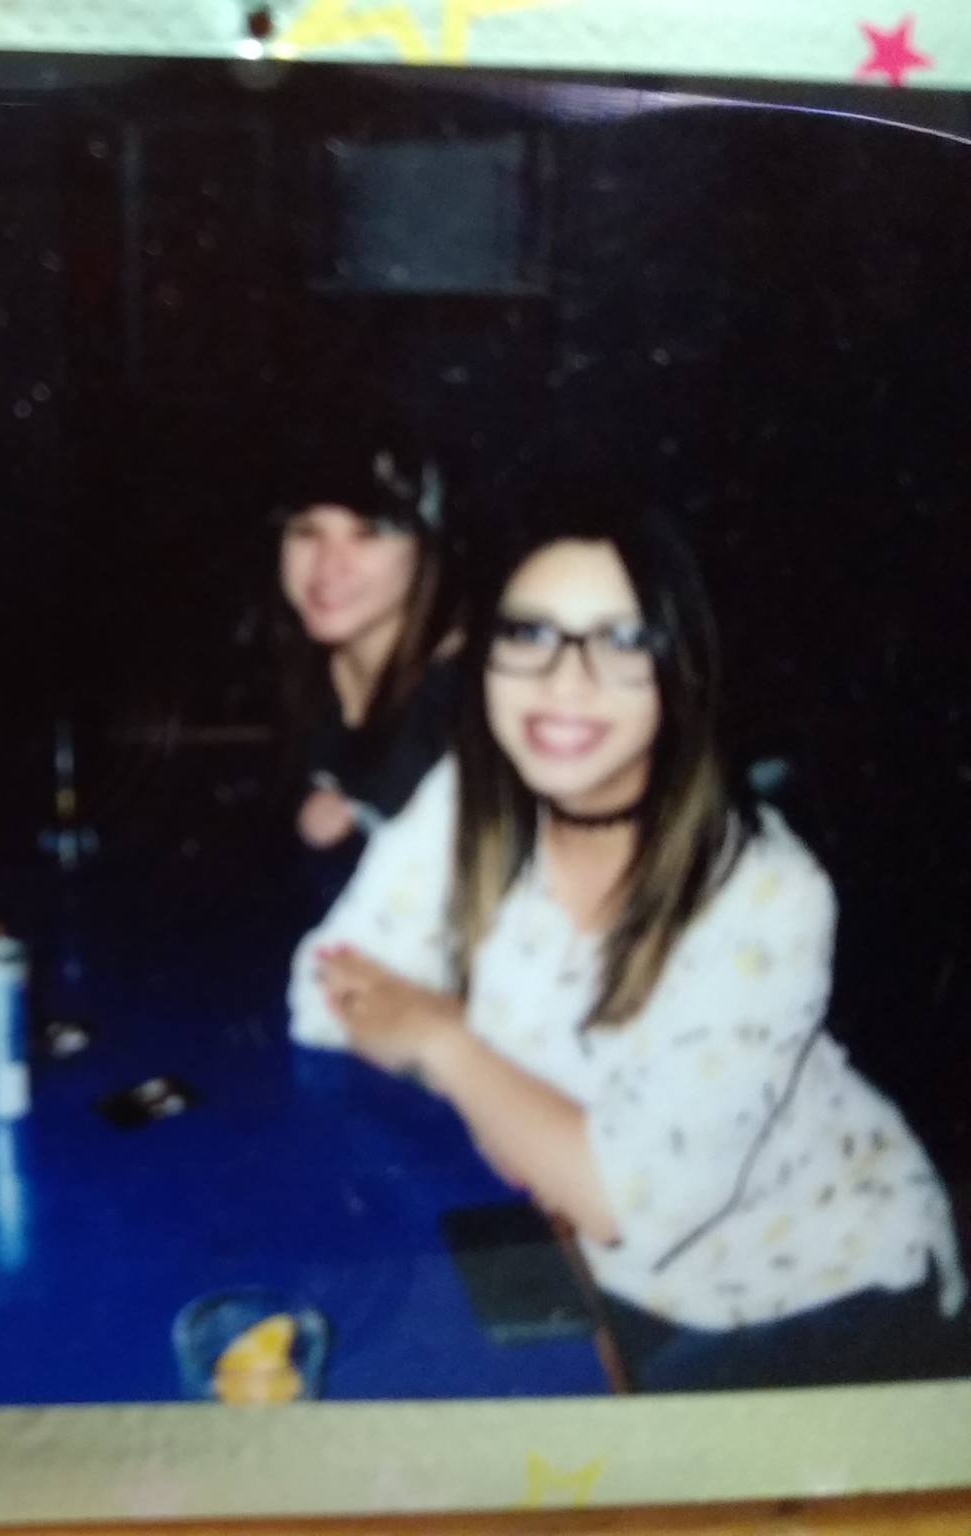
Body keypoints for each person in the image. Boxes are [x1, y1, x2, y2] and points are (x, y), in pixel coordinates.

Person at [288, 502, 965, 1391]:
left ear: (682, 669)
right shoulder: (467, 797)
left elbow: (630, 1204)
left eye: (622, 639)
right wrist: (528, 1125)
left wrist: (446, 1043)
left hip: (808, 1293)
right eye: (531, 633)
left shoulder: (766, 892)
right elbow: (322, 991)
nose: (565, 681)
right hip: (580, 1257)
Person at [274, 430, 460, 856]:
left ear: (423, 549)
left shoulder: (466, 707)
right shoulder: (306, 682)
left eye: (368, 532)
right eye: (307, 531)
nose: (327, 565)